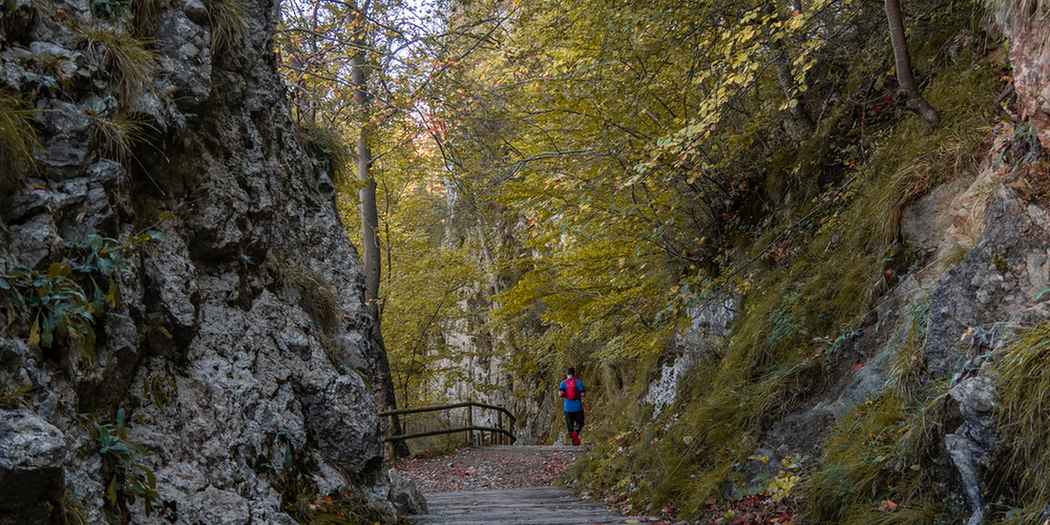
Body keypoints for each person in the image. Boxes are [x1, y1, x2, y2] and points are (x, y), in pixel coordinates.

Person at [558, 367, 585, 446]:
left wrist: (566, 395)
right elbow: (582, 394)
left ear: (567, 374)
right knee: (580, 423)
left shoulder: (563, 383)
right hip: (577, 407)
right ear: (574, 373)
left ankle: (574, 440)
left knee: (570, 427)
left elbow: (560, 394)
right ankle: (576, 436)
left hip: (567, 408)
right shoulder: (578, 382)